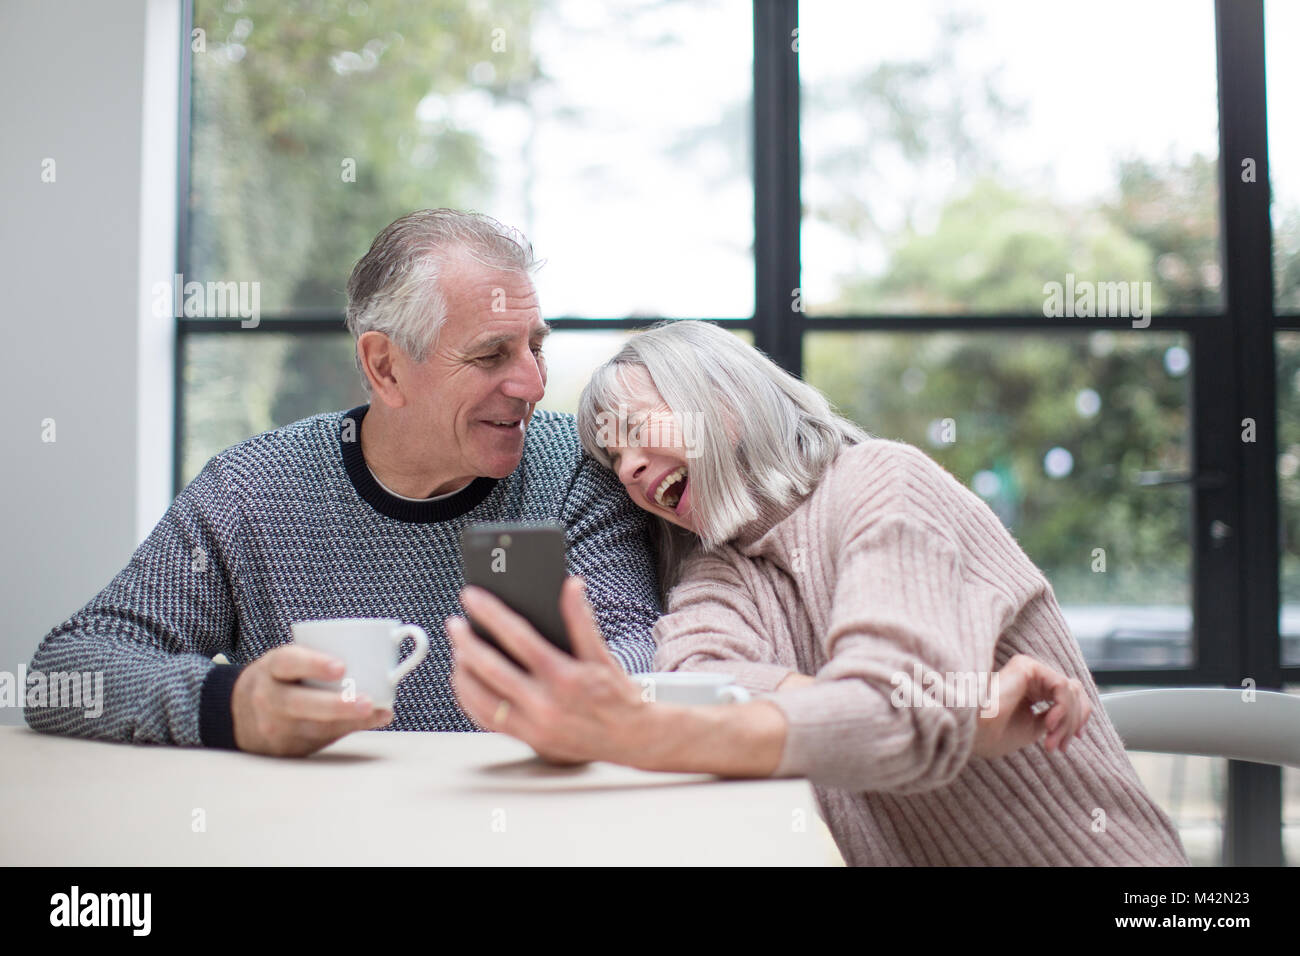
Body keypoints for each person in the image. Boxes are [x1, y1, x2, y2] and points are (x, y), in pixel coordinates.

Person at [448, 319, 1190, 866]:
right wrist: (929, 712)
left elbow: (883, 725)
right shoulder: (722, 569)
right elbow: (695, 683)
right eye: (615, 461)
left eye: (640, 431)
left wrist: (637, 731)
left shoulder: (885, 486)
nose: (634, 470)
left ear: (727, 397)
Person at [24, 209, 660, 756]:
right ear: (384, 367)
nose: (533, 384)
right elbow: (68, 671)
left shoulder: (575, 468)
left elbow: (644, 651)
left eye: (536, 347)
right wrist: (233, 705)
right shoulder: (252, 491)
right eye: (491, 354)